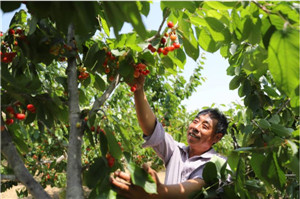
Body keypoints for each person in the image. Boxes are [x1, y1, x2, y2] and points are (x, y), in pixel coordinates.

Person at [110, 75, 228, 199]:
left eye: (205, 126)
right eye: (195, 121)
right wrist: (139, 90)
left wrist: (159, 192)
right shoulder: (176, 150)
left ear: (217, 137)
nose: (196, 127)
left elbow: (197, 186)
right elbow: (151, 129)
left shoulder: (219, 163)